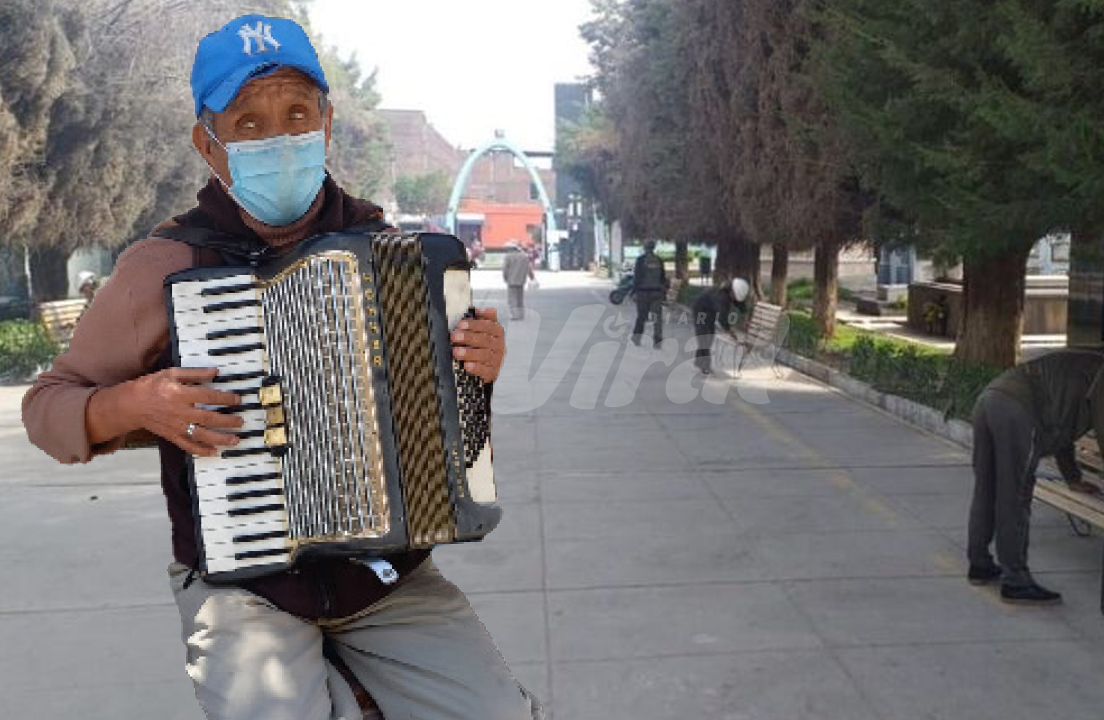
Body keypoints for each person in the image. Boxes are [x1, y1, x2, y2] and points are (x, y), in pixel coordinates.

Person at [21, 15, 540, 720]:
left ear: (325, 123)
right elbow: (46, 409)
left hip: (383, 581)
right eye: (248, 122)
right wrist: (134, 403)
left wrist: (477, 366)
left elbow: (442, 422)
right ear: (208, 143)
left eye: (297, 113)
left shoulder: (388, 252)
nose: (279, 136)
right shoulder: (164, 266)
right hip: (244, 589)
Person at [966, 349, 1104, 606]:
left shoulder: (1085, 369)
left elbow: (1061, 432)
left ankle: (980, 564)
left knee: (986, 490)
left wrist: (1073, 479)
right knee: (1015, 498)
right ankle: (1016, 581)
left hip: (988, 400)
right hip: (1017, 411)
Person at [691, 277, 750, 374]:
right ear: (731, 292)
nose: (734, 299)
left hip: (710, 311)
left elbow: (739, 303)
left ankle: (699, 361)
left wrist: (746, 314)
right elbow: (722, 318)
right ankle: (705, 365)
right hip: (700, 311)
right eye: (734, 296)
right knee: (704, 337)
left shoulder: (731, 291)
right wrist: (729, 331)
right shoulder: (722, 298)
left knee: (709, 337)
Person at [630, 240, 668, 346]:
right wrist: (664, 294)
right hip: (657, 293)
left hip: (643, 293)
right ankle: (657, 340)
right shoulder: (659, 260)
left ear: (645, 248)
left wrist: (633, 292)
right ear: (653, 248)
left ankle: (636, 338)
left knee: (641, 316)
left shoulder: (640, 260)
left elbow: (637, 277)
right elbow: (663, 278)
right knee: (657, 318)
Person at [502, 239, 535, 320]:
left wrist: (505, 277)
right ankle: (521, 314)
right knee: (520, 298)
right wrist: (532, 277)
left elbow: (505, 269)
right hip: (521, 280)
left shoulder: (508, 256)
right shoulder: (524, 256)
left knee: (512, 299)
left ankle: (515, 315)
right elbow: (529, 268)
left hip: (511, 280)